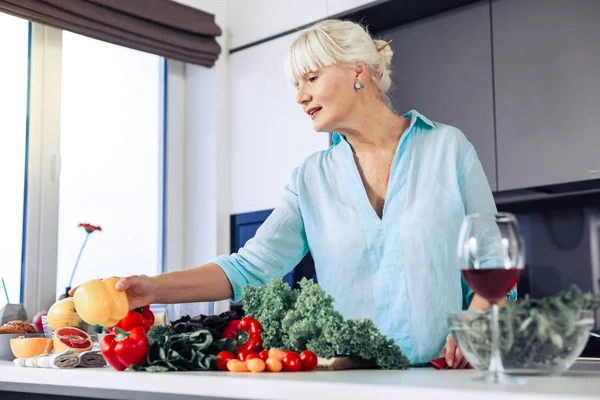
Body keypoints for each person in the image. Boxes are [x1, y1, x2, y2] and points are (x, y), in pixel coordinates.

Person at [83, 20, 514, 367]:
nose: (300, 96)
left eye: (311, 77)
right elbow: (249, 267)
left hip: (449, 378)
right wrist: (153, 289)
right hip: (350, 380)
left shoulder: (447, 148)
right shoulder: (311, 178)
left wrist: (476, 319)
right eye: (296, 85)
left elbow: (495, 260)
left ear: (358, 72)